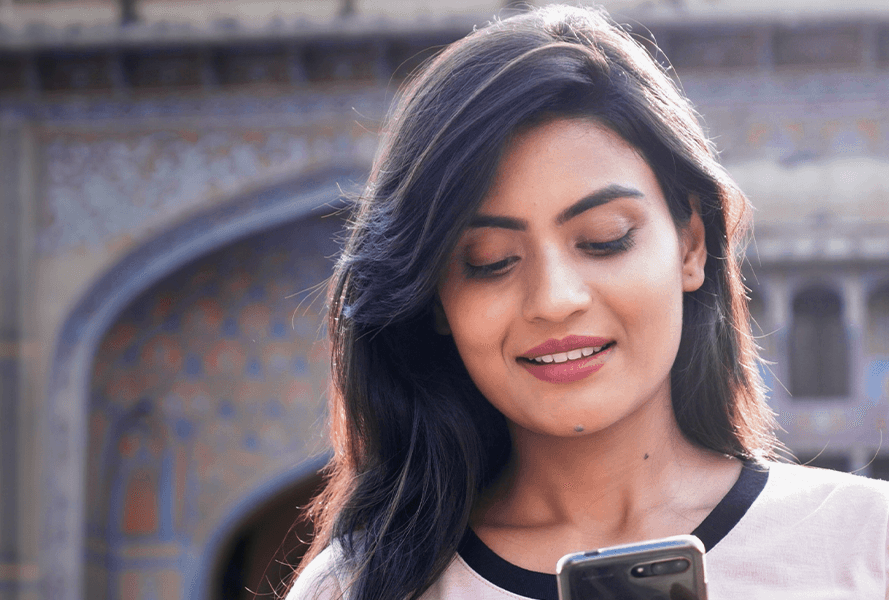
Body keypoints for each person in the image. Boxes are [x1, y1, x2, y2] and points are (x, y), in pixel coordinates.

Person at [285, 5, 889, 599]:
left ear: (691, 245)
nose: (554, 300)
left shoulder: (865, 548)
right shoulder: (357, 588)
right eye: (490, 261)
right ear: (438, 301)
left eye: (604, 241)